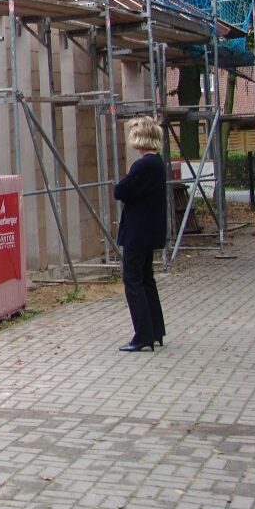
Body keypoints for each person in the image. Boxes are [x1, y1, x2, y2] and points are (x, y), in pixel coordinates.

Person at [113, 116, 167, 352]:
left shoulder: (143, 165)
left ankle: (143, 334)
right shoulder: (158, 163)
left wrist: (121, 187)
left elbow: (121, 190)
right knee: (146, 279)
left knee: (133, 280)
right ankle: (155, 330)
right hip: (150, 230)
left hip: (137, 232)